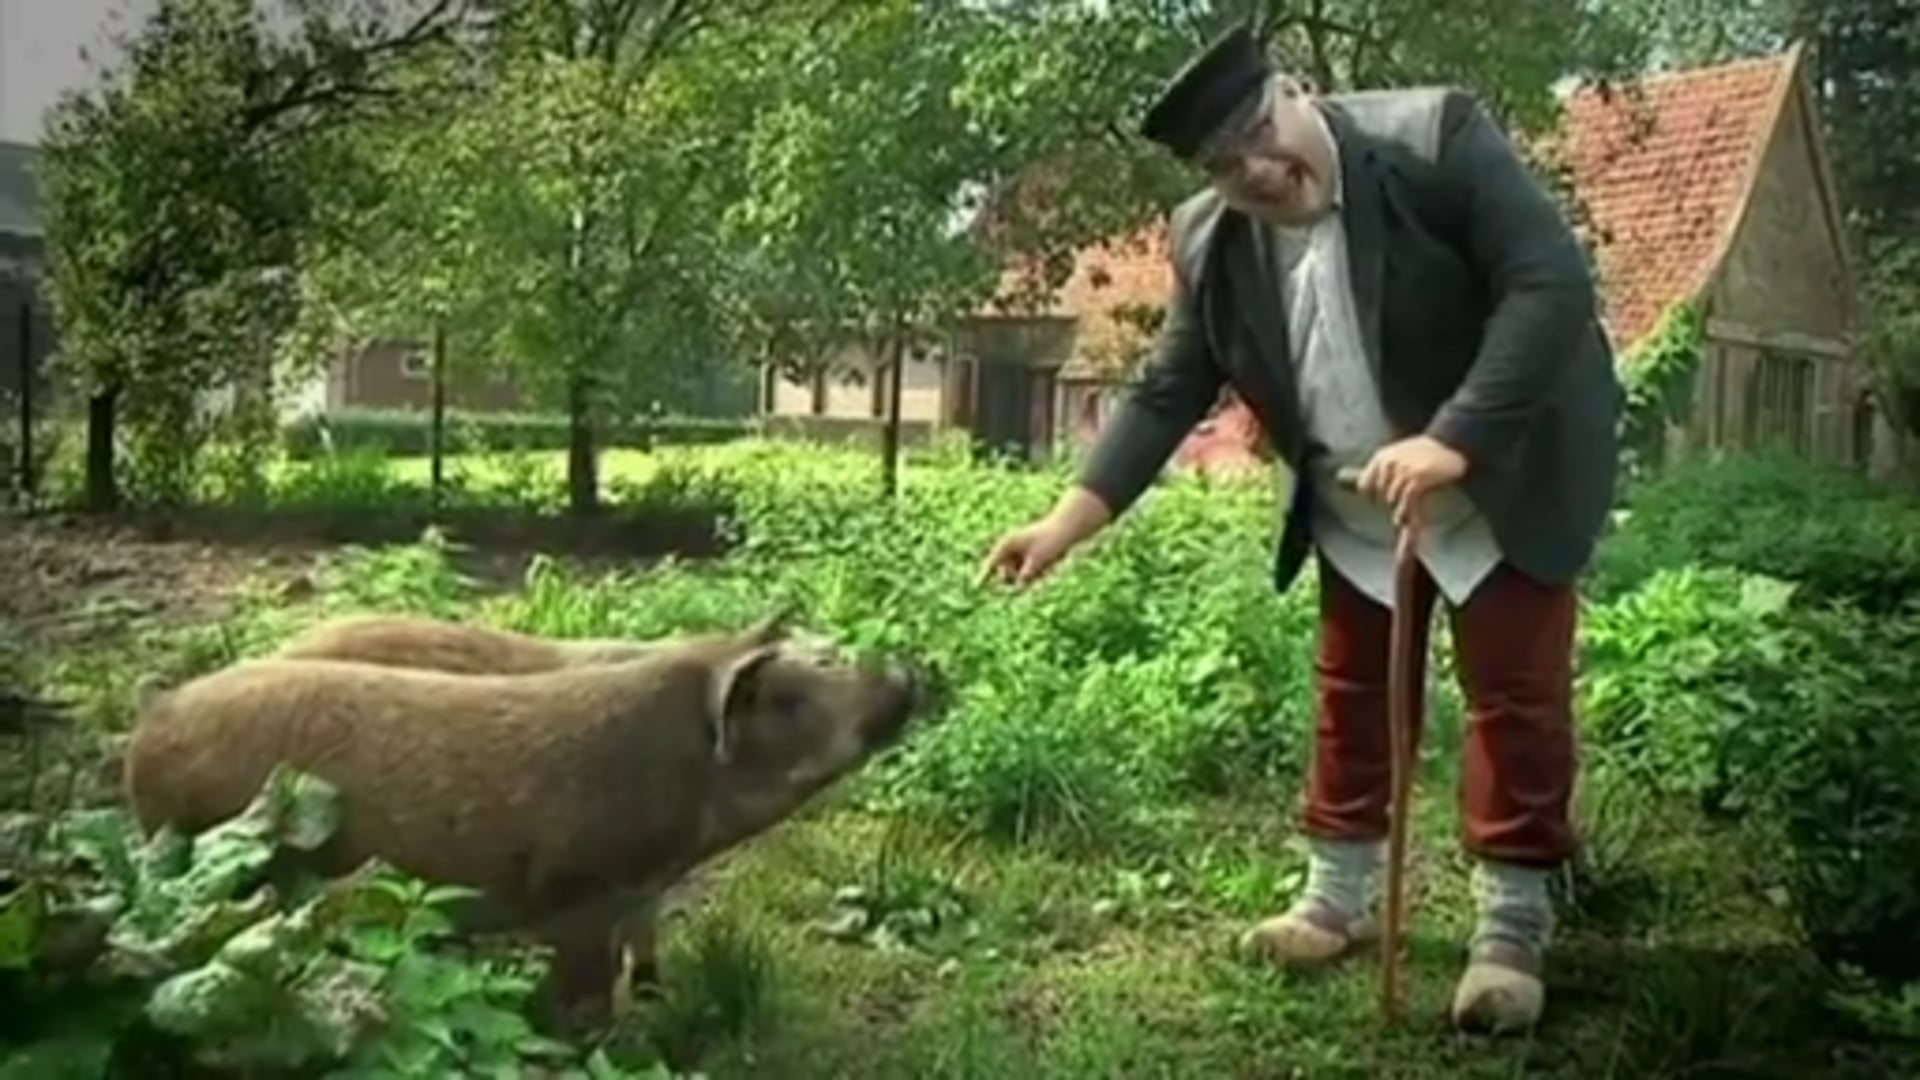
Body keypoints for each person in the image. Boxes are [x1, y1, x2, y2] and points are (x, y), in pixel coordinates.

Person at [979, 24, 1623, 1035]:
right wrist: (1069, 518)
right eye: (1227, 164)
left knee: (1516, 695)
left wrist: (1453, 441)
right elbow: (1166, 390)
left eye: (1262, 132)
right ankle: (1335, 899)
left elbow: (1547, 285)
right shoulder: (1208, 240)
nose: (1259, 170)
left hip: (1502, 470)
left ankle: (1509, 929)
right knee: (1352, 693)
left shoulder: (1436, 140)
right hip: (1359, 504)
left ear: (1297, 89)